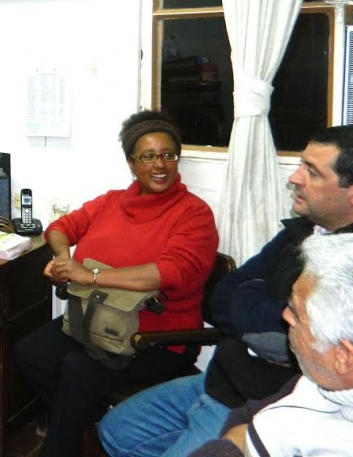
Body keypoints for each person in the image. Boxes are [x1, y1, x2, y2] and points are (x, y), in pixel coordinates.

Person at [99, 126, 353, 456]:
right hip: (219, 379)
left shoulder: (344, 265)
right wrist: (262, 310)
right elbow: (221, 296)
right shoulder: (301, 232)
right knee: (116, 431)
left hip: (258, 399)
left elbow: (285, 339)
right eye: (301, 165)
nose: (295, 178)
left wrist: (253, 301)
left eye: (312, 172)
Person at [13, 110, 219, 456]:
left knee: (79, 369)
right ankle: (90, 426)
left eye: (168, 155)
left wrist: (89, 275)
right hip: (94, 319)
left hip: (158, 336)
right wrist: (63, 259)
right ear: (131, 164)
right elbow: (60, 228)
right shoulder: (112, 202)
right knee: (31, 352)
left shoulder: (193, 213)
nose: (160, 164)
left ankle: (61, 446)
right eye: (148, 156)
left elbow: (170, 271)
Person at [191, 234, 353, 456]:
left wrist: (240, 440)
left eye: (294, 311)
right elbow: (248, 415)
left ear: (343, 356)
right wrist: (242, 437)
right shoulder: (321, 377)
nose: (283, 315)